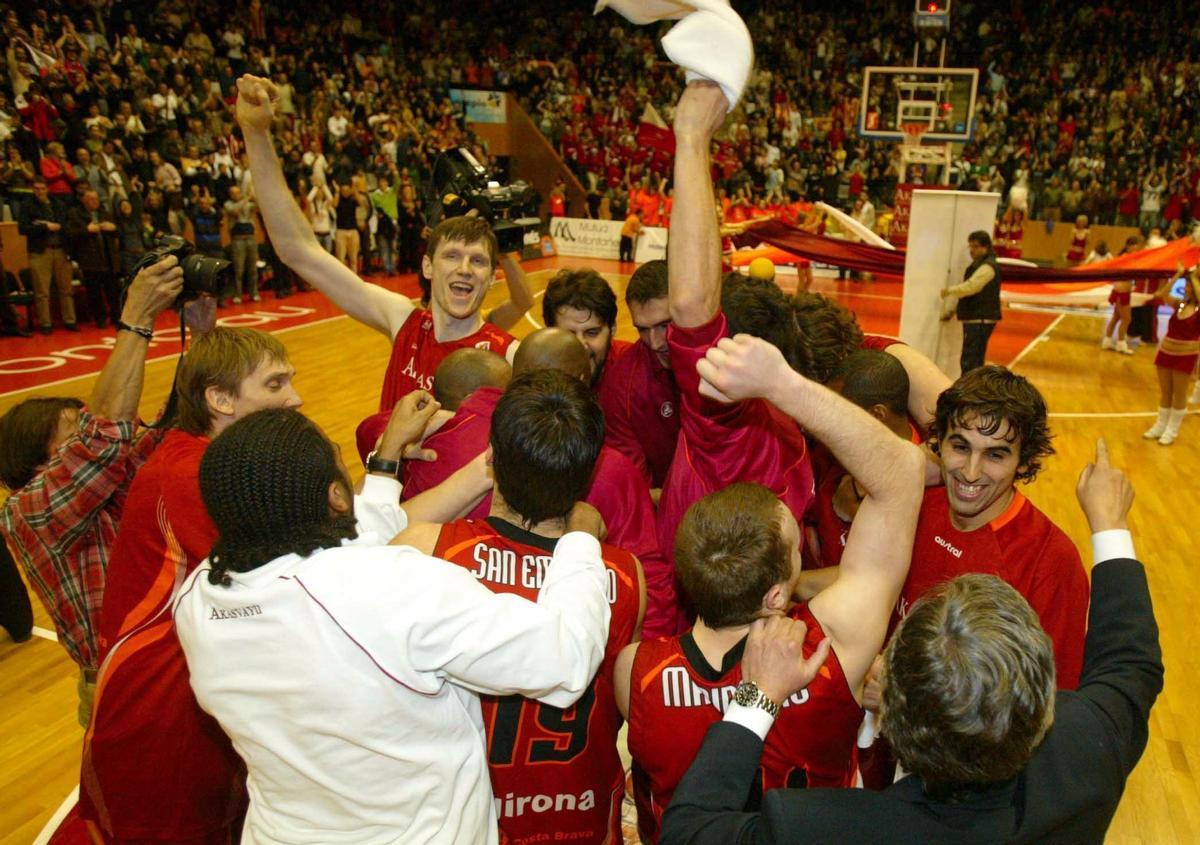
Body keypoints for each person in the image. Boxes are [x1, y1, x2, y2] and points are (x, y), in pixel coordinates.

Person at [660, 440, 1160, 845]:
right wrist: (1111, 525)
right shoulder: (1090, 750)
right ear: (1039, 701)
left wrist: (756, 697)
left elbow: (688, 830)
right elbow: (1130, 663)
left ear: (892, 716)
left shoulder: (818, 827)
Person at [173, 407, 613, 844]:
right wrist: (579, 541)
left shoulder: (197, 597)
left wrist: (386, 464)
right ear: (336, 497)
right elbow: (563, 659)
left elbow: (348, 541)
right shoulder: (394, 588)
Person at [619, 334, 925, 842]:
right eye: (794, 546)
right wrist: (781, 384)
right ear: (777, 595)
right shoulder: (831, 649)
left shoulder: (638, 670)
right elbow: (903, 470)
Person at [393, 369, 646, 844]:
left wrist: (387, 459)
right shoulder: (626, 575)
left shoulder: (424, 549)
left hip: (468, 819)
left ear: (490, 457)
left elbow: (372, 539)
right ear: (588, 472)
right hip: (579, 818)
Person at [236, 75, 519, 415]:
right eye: (452, 256)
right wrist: (256, 135)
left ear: (491, 277)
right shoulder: (404, 321)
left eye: (477, 261)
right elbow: (296, 249)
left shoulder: (509, 354)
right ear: (428, 267)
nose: (463, 269)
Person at [0, 258, 184, 724]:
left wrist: (198, 331)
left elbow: (173, 431)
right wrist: (138, 314)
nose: (90, 437)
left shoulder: (102, 481)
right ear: (38, 459)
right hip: (125, 684)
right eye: (71, 436)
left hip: (173, 662)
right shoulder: (30, 511)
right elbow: (104, 437)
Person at [401, 328, 677, 637]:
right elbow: (653, 599)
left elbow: (369, 432)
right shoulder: (626, 575)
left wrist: (387, 451)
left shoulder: (424, 541)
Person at [656, 82, 815, 588]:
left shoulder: (728, 428)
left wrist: (692, 139)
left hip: (709, 623)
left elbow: (691, 304)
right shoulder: (798, 421)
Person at [905, 365, 1089, 688]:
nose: (971, 472)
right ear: (939, 443)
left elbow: (1049, 698)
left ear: (1025, 462)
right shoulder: (916, 508)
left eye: (995, 455)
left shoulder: (1053, 562)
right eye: (960, 447)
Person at [596, 259, 681, 492]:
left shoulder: (728, 356)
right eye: (643, 329)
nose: (655, 343)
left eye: (665, 325)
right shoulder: (621, 386)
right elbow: (636, 491)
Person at [542, 268, 629, 389]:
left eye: (592, 333)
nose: (580, 345)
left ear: (612, 330)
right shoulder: (538, 372)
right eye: (568, 334)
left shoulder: (635, 368)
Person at [1143, 264, 1199, 446]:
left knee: (1180, 394)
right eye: (1188, 285)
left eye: (1191, 285)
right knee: (1166, 391)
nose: (1188, 287)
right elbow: (1161, 294)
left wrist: (1195, 278)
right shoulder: (1179, 304)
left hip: (1186, 355)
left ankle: (1172, 430)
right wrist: (1178, 274)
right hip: (1166, 351)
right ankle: (1160, 425)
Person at [17, 178, 78, 333]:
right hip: (39, 252)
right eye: (36, 188)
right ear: (32, 189)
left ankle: (70, 320)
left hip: (61, 249)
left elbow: (66, 224)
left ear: (47, 189)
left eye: (42, 188)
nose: (40, 191)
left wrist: (45, 224)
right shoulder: (27, 205)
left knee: (66, 289)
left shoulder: (58, 204)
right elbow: (23, 228)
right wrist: (45, 226)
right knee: (42, 291)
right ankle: (46, 323)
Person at [940, 230, 1002, 375]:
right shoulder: (980, 265)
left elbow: (971, 287)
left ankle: (968, 390)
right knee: (973, 358)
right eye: (970, 247)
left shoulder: (987, 266)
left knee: (971, 359)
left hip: (980, 318)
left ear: (985, 247)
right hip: (977, 317)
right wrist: (954, 310)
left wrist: (949, 291)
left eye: (975, 246)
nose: (972, 250)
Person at [66, 188, 122, 328]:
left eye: (96, 199)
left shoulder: (104, 213)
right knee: (94, 293)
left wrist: (113, 227)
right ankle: (100, 318)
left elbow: (120, 231)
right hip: (90, 260)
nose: (95, 202)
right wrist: (86, 230)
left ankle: (117, 316)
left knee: (113, 291)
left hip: (108, 259)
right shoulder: (75, 214)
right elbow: (70, 234)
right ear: (84, 200)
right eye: (91, 199)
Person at [223, 184, 260, 302]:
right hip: (238, 239)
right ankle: (237, 294)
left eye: (238, 192)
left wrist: (254, 196)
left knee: (252, 268)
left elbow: (258, 207)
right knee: (238, 269)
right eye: (234, 193)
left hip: (250, 238)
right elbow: (235, 210)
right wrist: (247, 198)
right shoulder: (228, 204)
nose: (236, 195)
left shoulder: (247, 204)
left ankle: (254, 293)